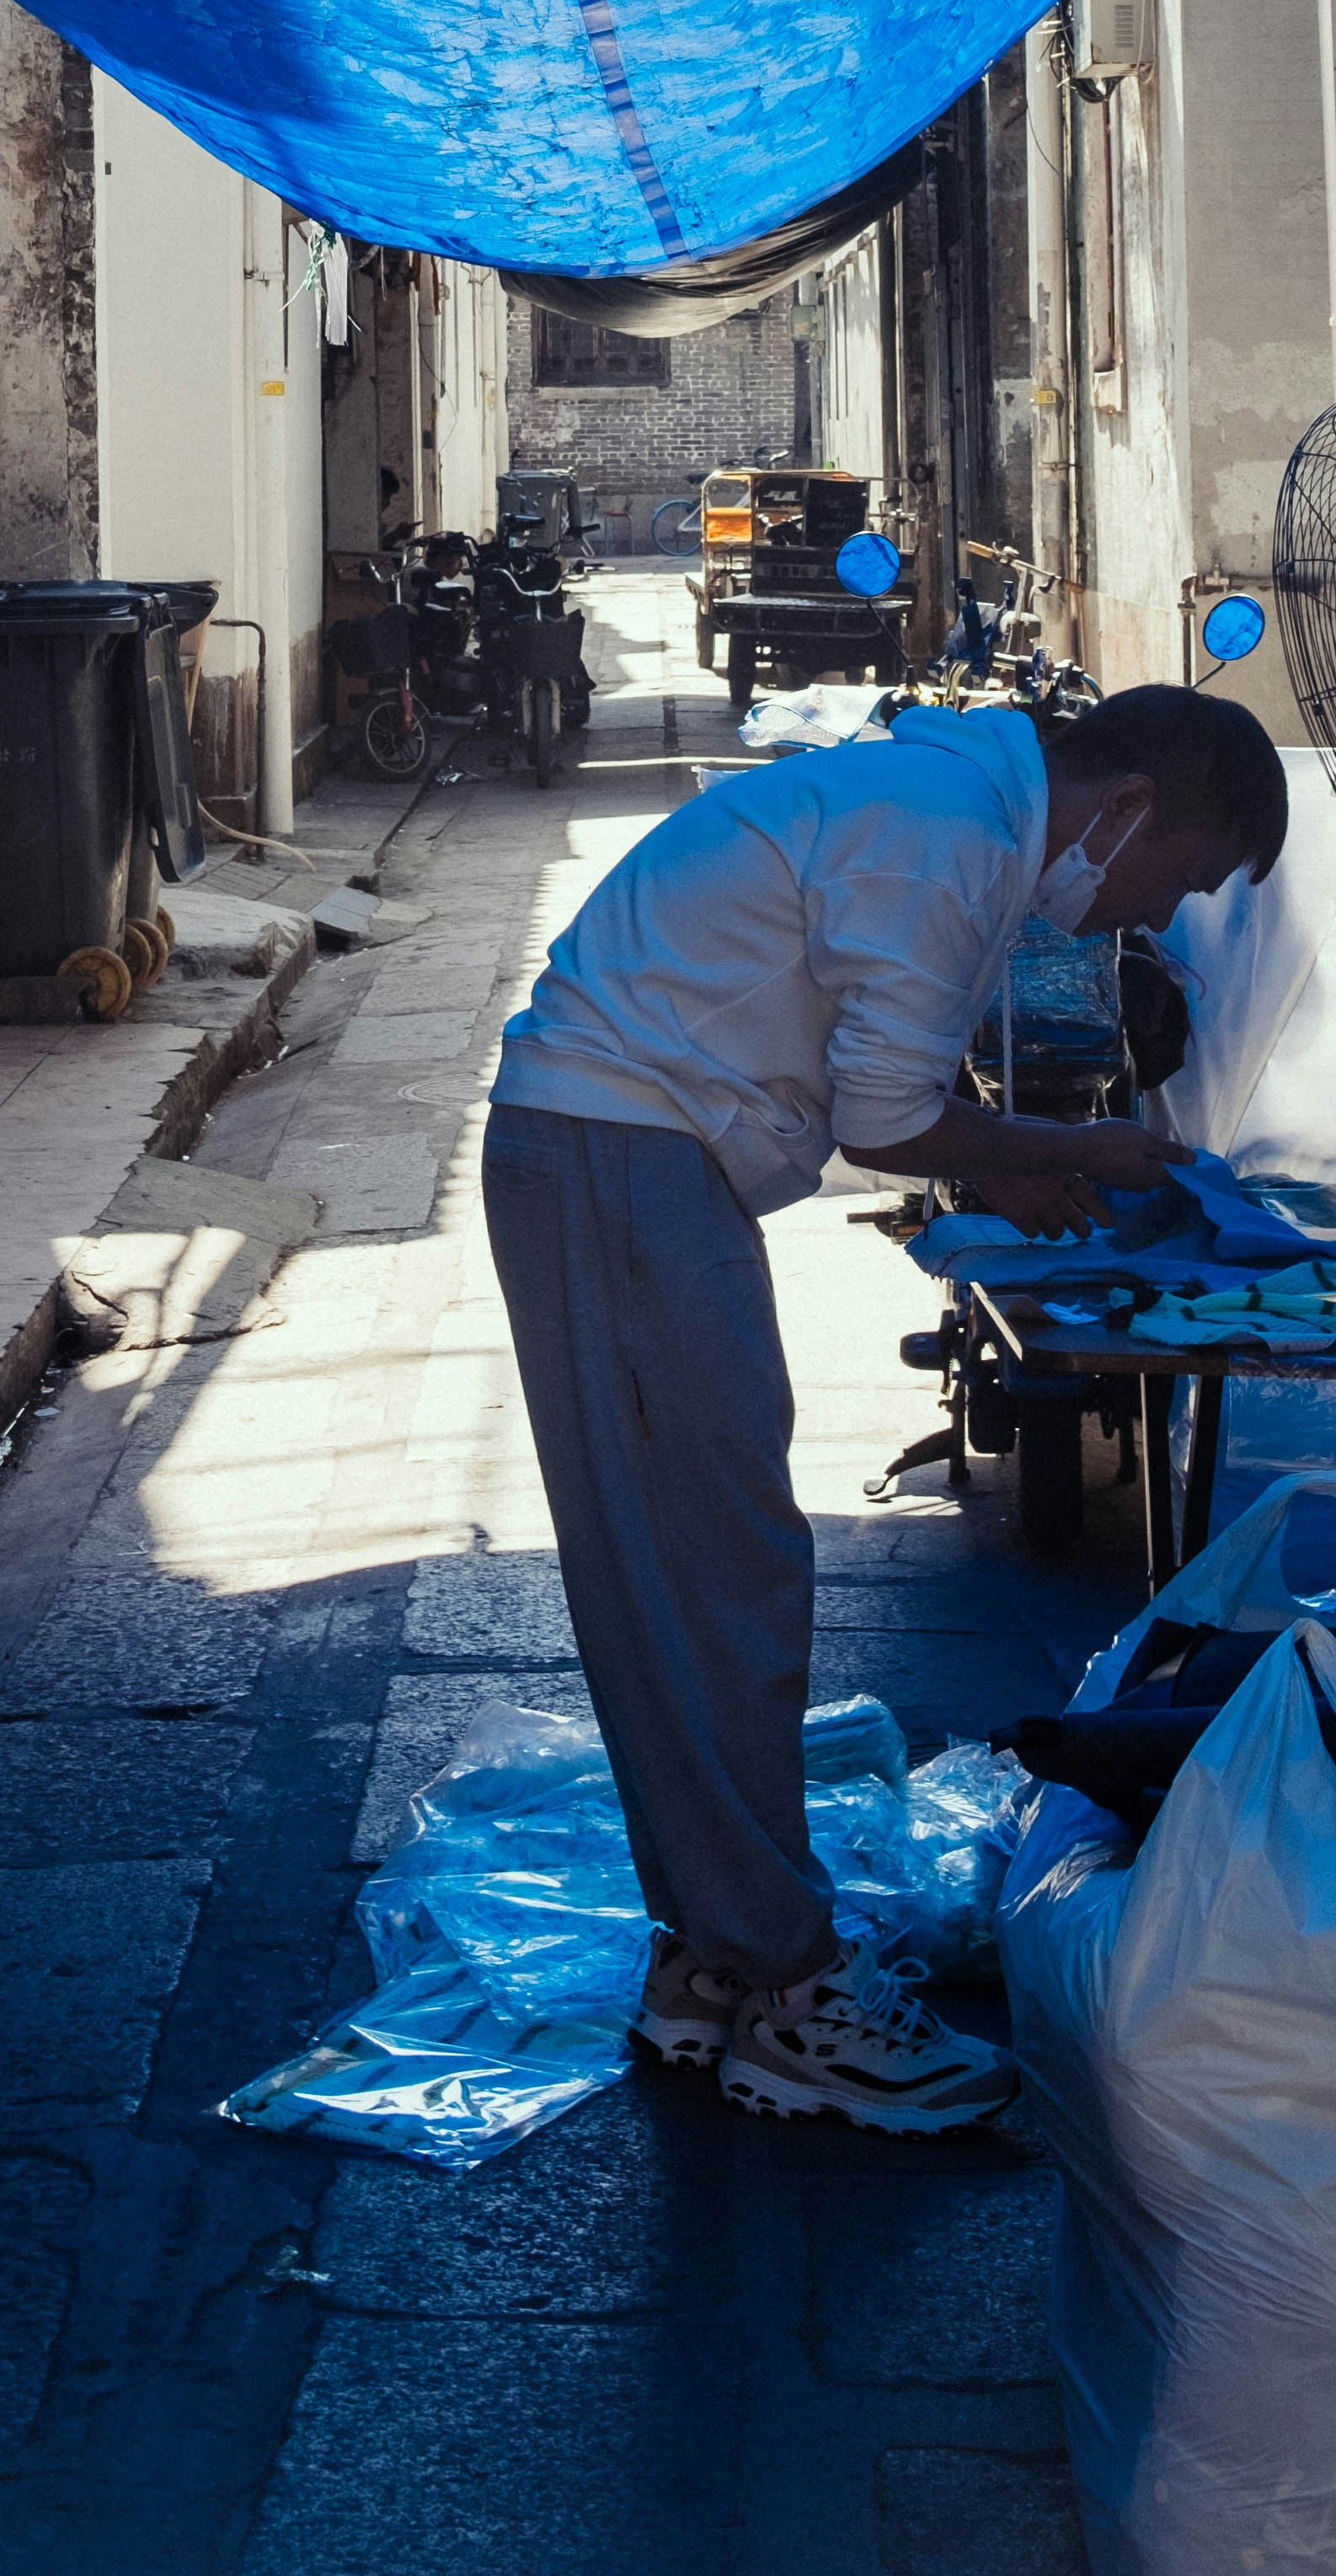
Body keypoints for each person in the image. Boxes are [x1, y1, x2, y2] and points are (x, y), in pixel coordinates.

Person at [482, 681, 1288, 2133]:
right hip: (617, 1153)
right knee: (713, 1575)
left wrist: (1013, 1165)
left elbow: (886, 1089)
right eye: (1182, 878)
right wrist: (1081, 1150)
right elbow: (887, 1122)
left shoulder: (953, 805)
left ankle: (713, 1962)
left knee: (698, 1567)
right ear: (1128, 812)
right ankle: (791, 1992)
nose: (1158, 919)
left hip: (631, 1152)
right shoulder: (949, 830)